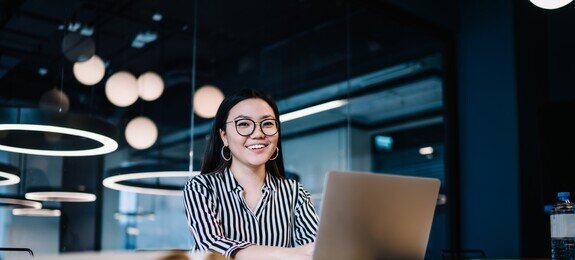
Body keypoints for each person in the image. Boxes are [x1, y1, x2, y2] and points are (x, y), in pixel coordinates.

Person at [183, 89, 319, 259]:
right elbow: (212, 247)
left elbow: (315, 249)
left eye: (267, 123)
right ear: (224, 136)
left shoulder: (294, 193)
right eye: (244, 124)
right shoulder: (201, 187)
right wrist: (286, 254)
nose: (258, 133)